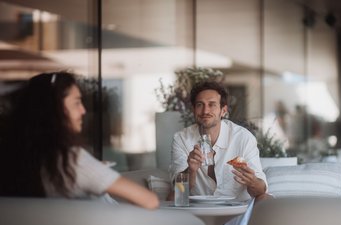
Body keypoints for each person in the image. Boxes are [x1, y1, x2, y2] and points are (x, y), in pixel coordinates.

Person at [0, 72, 159, 209]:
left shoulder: (12, 158)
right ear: (55, 109)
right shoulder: (70, 160)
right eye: (76, 103)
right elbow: (150, 201)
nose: (83, 110)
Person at [170, 81, 268, 201]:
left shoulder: (243, 138)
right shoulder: (181, 139)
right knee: (171, 197)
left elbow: (261, 189)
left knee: (265, 198)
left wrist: (252, 181)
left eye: (212, 104)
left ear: (223, 110)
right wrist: (191, 170)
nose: (205, 111)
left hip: (237, 210)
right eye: (200, 104)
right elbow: (178, 192)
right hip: (200, 211)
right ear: (194, 109)